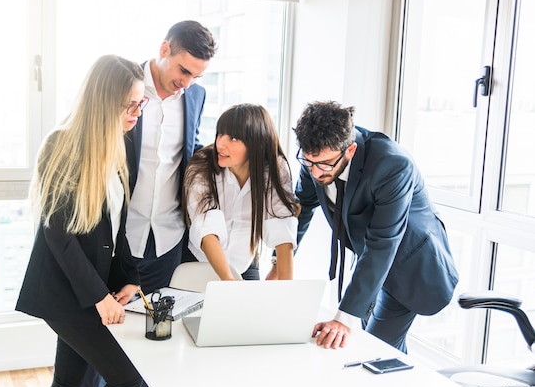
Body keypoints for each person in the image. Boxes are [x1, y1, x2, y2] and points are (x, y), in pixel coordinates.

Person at [15, 54, 148, 387]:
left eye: (140, 103)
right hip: (64, 292)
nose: (137, 113)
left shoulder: (118, 144)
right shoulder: (60, 145)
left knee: (70, 383)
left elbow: (116, 228)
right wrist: (98, 297)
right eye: (130, 105)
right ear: (105, 103)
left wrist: (130, 279)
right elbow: (58, 235)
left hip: (90, 290)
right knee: (131, 382)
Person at [285, 100, 459, 353]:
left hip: (409, 265)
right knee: (369, 347)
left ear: (350, 150)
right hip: (369, 262)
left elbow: (383, 242)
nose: (315, 172)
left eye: (324, 164)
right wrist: (281, 261)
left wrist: (343, 318)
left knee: (374, 350)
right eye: (308, 162)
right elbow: (303, 207)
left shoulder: (392, 165)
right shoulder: (316, 160)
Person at [125, 20, 217, 294]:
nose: (186, 83)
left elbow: (190, 151)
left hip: (169, 237)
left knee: (158, 327)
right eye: (184, 71)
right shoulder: (124, 84)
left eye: (195, 77)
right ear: (164, 49)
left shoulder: (195, 96)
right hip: (121, 234)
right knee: (108, 327)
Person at [182, 103, 299, 280]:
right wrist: (231, 284)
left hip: (245, 261)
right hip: (200, 260)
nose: (220, 144)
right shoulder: (202, 165)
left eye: (233, 138)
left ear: (257, 143)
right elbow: (207, 230)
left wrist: (284, 288)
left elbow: (282, 226)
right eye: (220, 134)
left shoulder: (276, 169)